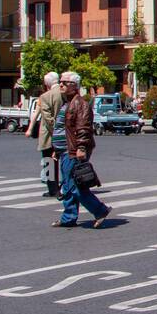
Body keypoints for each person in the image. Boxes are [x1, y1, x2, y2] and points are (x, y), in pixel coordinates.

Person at [53, 72, 110, 228]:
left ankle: (100, 210)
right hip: (64, 149)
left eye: (65, 82)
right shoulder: (67, 103)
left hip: (73, 150)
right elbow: (62, 129)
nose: (61, 84)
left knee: (75, 186)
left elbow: (83, 128)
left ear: (74, 86)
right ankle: (68, 218)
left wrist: (81, 147)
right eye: (60, 82)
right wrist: (56, 148)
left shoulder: (80, 104)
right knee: (67, 185)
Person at [28, 72, 64, 198]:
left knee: (49, 162)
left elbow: (48, 119)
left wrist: (56, 132)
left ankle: (53, 189)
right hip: (65, 132)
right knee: (64, 160)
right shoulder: (65, 93)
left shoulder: (45, 96)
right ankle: (64, 186)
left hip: (49, 134)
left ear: (47, 83)